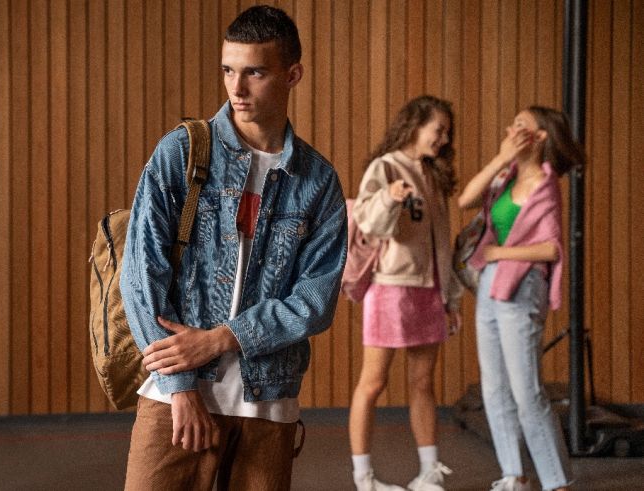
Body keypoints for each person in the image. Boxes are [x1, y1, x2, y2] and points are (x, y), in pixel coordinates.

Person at [119, 5, 347, 490]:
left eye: (254, 73)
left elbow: (316, 301)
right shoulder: (182, 153)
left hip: (269, 401)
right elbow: (141, 277)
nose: (236, 88)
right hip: (175, 400)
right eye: (228, 70)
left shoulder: (318, 181)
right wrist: (181, 389)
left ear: (293, 75)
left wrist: (222, 339)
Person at [457, 106, 580, 491]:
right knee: (494, 387)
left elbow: (551, 248)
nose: (511, 129)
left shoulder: (545, 185)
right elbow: (465, 200)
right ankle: (514, 474)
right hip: (490, 285)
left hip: (524, 284)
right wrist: (501, 158)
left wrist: (500, 253)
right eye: (513, 124)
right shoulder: (505, 176)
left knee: (527, 391)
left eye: (521, 126)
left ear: (539, 137)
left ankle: (557, 482)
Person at [348, 95, 462, 491]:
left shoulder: (432, 174)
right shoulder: (386, 167)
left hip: (429, 290)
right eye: (438, 130)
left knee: (423, 382)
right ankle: (364, 478)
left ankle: (429, 472)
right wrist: (388, 197)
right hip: (391, 289)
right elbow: (368, 223)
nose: (443, 139)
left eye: (447, 133)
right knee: (373, 383)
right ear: (415, 125)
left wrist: (450, 297)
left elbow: (443, 242)